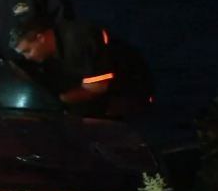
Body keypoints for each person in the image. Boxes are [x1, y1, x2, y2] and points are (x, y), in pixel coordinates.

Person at [10, 15, 153, 117]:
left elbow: (98, 87)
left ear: (40, 38)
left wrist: (56, 102)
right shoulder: (48, 56)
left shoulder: (80, 39)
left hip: (127, 97)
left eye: (28, 51)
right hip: (101, 105)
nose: (27, 57)